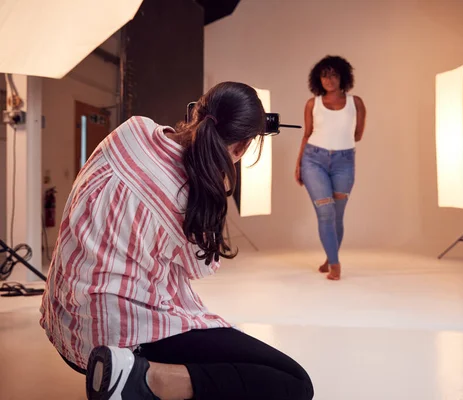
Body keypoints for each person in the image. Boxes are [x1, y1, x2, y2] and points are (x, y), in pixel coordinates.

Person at [39, 82, 314, 400]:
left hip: (64, 322)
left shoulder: (132, 129)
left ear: (197, 109)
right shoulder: (195, 194)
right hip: (115, 337)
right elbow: (201, 268)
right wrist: (215, 185)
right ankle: (145, 379)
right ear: (240, 148)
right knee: (293, 382)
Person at [295, 56, 367, 281]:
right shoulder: (312, 103)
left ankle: (329, 255)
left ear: (342, 77)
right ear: (318, 78)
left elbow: (357, 135)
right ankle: (335, 264)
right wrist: (298, 164)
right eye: (324, 74)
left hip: (344, 163)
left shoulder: (356, 103)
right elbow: (306, 134)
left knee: (337, 216)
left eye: (333, 74)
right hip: (313, 160)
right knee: (325, 212)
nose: (328, 79)